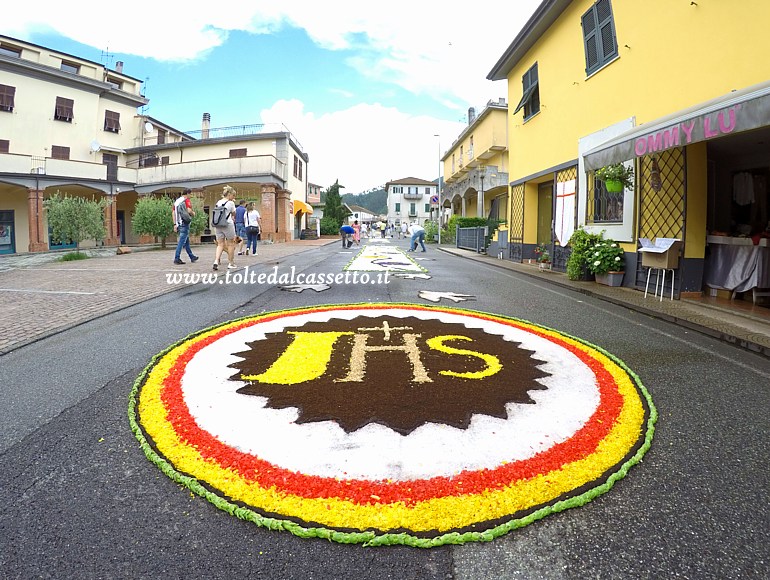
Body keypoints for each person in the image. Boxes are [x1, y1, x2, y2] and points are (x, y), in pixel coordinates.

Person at [213, 186, 238, 270]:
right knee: (231, 243)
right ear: (229, 194)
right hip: (227, 224)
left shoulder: (218, 202)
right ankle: (231, 263)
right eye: (233, 196)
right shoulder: (231, 203)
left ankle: (216, 261)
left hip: (218, 225)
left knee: (220, 244)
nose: (234, 197)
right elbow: (234, 213)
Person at [172, 189, 199, 265]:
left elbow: (173, 213)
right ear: (187, 194)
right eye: (190, 194)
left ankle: (191, 256)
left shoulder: (177, 201)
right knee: (181, 242)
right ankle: (177, 258)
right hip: (184, 223)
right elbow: (189, 210)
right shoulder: (186, 200)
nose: (190, 196)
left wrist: (175, 224)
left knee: (186, 241)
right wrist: (193, 213)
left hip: (179, 223)